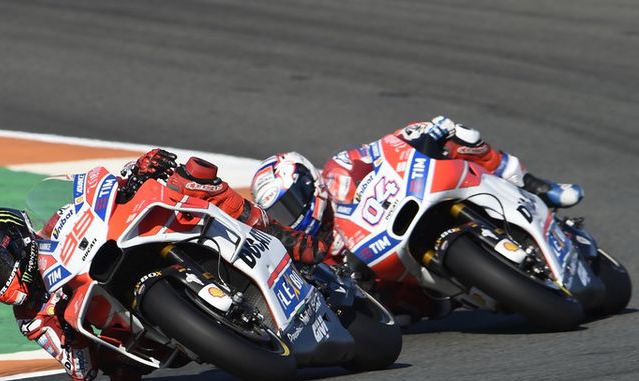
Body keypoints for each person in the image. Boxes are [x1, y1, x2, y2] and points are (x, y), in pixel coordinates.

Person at [0, 149, 326, 381]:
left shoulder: (54, 225)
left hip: (125, 248)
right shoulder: (30, 315)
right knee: (120, 375)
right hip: (125, 333)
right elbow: (79, 369)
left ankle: (287, 239)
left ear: (17, 241)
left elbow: (100, 193)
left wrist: (137, 170)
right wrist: (67, 331)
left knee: (193, 180)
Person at [250, 116, 584, 322]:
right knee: (403, 312)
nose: (291, 215)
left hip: (415, 204)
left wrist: (420, 135)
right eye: (282, 211)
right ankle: (466, 290)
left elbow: (382, 150)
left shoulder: (340, 170)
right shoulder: (317, 249)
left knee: (461, 137)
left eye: (292, 202)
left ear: (311, 183)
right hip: (405, 279)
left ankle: (535, 185)